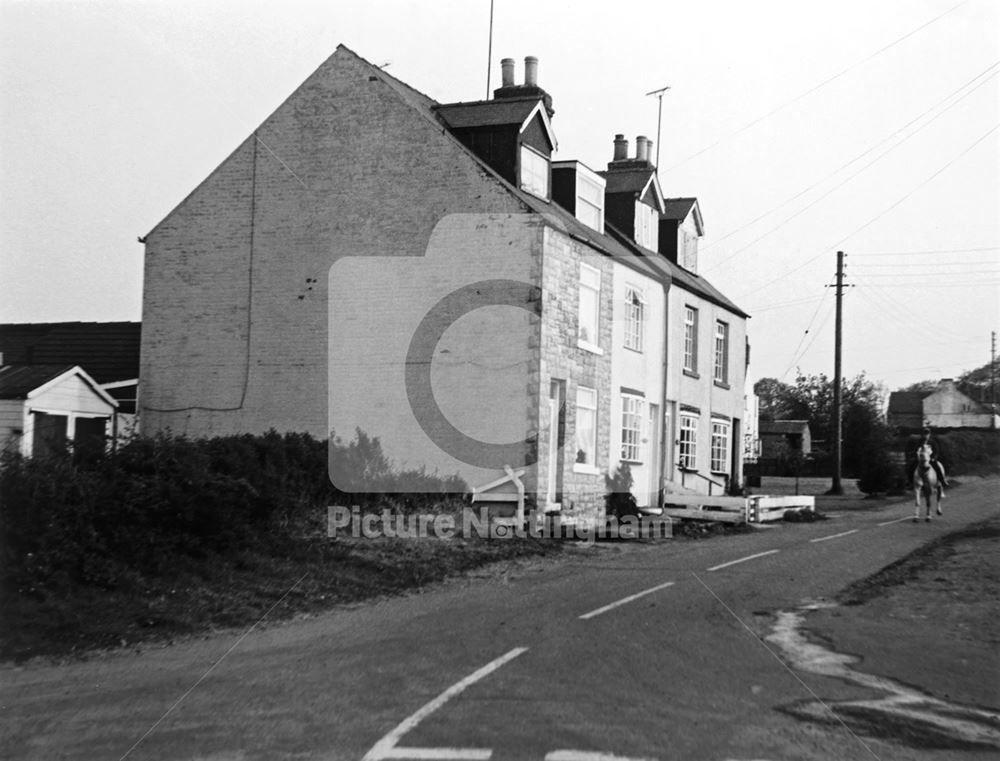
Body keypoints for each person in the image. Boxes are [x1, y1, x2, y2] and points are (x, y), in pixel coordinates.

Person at [912, 427, 947, 498]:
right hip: (921, 459)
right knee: (912, 466)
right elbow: (916, 449)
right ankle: (912, 482)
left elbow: (936, 450)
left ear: (929, 434)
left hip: (930, 459)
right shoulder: (920, 441)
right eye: (925, 434)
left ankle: (941, 480)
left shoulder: (932, 442)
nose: (926, 436)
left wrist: (934, 457)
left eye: (927, 434)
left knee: (937, 467)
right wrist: (916, 456)